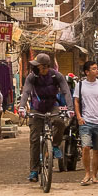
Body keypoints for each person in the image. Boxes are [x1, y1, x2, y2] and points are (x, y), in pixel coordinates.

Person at [18, 52, 71, 182]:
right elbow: (26, 91)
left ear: (46, 66)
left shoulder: (56, 76)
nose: (36, 68)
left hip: (52, 106)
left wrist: (70, 108)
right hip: (36, 108)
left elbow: (66, 91)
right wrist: (22, 107)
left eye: (39, 66)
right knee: (34, 139)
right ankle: (34, 171)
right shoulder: (32, 77)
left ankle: (55, 145)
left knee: (60, 122)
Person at [74, 60, 98, 186]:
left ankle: (94, 175)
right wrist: (79, 117)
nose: (97, 70)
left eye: (97, 68)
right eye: (94, 69)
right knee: (85, 147)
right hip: (86, 121)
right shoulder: (80, 85)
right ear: (87, 72)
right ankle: (87, 174)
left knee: (97, 150)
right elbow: (76, 102)